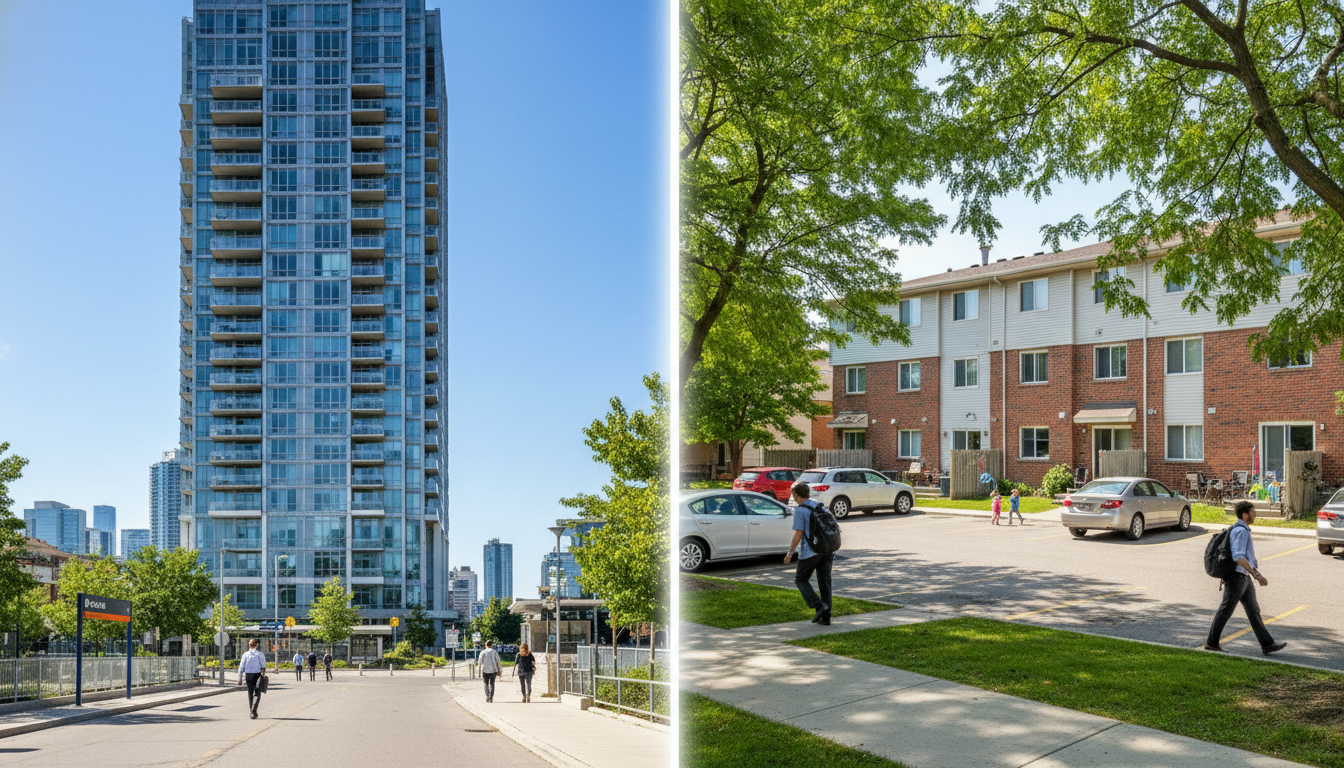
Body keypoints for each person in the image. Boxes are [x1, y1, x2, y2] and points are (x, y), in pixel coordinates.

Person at [1205, 501, 1288, 655]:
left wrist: (1254, 574)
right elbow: (1238, 557)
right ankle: (1211, 643)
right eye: (1253, 512)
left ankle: (1267, 644)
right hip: (1237, 577)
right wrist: (1256, 575)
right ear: (1245, 515)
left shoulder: (1241, 530)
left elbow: (1244, 558)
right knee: (1226, 609)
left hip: (1243, 576)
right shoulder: (1240, 531)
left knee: (1253, 610)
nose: (1255, 514)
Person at [784, 483, 832, 626]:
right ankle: (826, 618)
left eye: (793, 495)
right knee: (824, 582)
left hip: (811, 551)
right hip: (828, 549)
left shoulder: (800, 510)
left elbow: (798, 534)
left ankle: (819, 606)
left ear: (796, 495)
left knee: (801, 579)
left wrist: (790, 553)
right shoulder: (819, 505)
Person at [237, 638, 267, 719]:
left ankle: (251, 710)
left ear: (249, 645)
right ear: (256, 645)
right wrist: (263, 676)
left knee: (250, 693)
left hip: (248, 676)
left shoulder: (245, 655)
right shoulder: (260, 654)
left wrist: (239, 678)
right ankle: (254, 710)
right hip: (257, 675)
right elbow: (263, 666)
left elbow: (241, 667)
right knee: (257, 693)